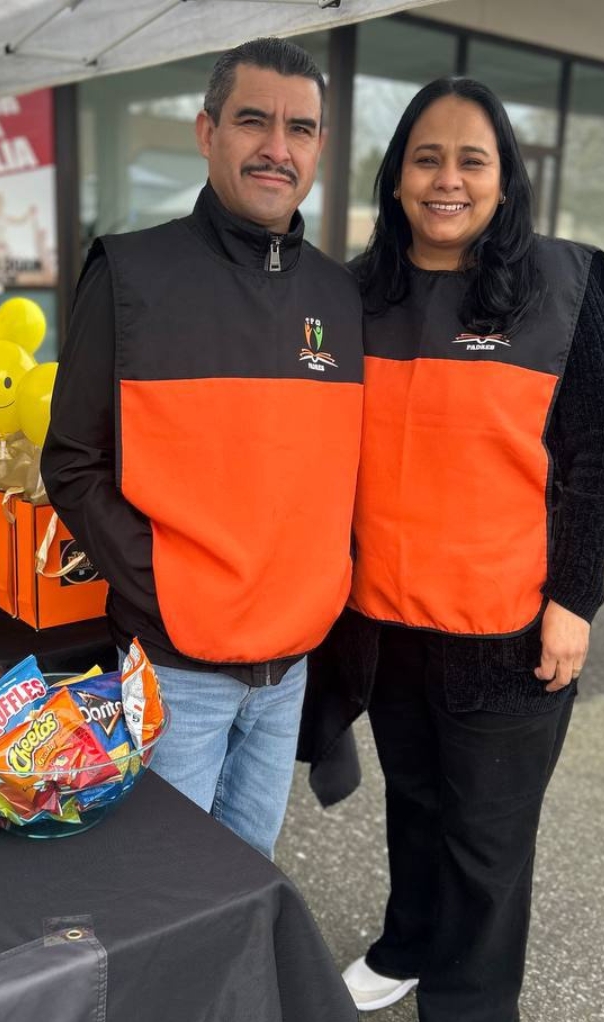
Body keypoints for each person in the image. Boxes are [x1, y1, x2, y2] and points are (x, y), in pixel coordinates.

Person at [327, 78, 604, 1022]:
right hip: (386, 618)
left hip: (508, 625)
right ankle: (408, 947)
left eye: (473, 159)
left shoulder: (560, 285)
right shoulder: (356, 292)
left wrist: (575, 599)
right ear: (396, 176)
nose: (448, 179)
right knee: (416, 802)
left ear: (504, 179)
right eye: (427, 157)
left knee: (487, 832)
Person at [41, 38, 363, 860]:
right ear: (207, 131)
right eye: (253, 121)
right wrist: (169, 588)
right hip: (175, 668)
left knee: (247, 870)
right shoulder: (130, 274)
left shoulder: (340, 295)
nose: (277, 147)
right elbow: (71, 461)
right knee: (164, 884)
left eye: (300, 128)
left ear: (320, 147)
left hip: (290, 670)